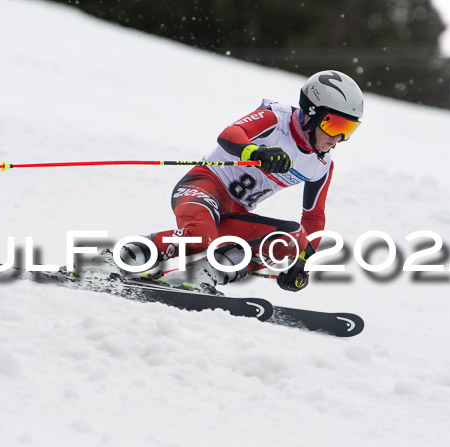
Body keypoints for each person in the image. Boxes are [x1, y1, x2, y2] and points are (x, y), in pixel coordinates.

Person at [96, 70, 364, 292]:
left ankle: (203, 275)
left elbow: (314, 218)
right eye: (334, 125)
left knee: (292, 240)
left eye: (348, 130)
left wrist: (303, 261)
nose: (337, 138)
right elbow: (230, 133)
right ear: (311, 113)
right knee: (200, 237)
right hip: (204, 185)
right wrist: (254, 152)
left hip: (234, 213)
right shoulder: (276, 118)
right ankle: (116, 258)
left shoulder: (321, 166)